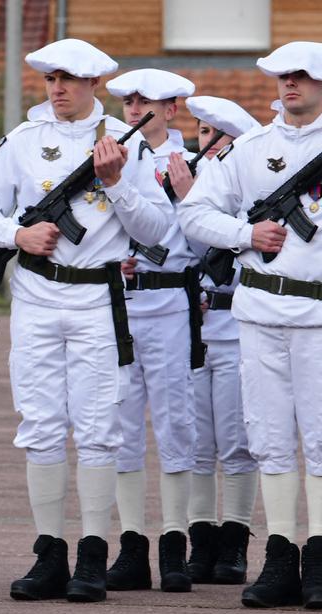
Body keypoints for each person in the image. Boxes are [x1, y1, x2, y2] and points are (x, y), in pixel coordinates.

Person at [0, 38, 173, 603]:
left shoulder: (126, 148)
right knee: (40, 424)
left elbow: (157, 231)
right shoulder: (24, 141)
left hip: (96, 302)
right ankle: (49, 552)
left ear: (94, 85)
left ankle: (92, 556)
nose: (57, 89)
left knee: (100, 428)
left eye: (69, 80)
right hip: (35, 296)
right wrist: (17, 235)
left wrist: (117, 184)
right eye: (51, 79)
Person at [178, 41, 322, 609]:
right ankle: (281, 556)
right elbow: (195, 212)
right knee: (268, 439)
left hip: (319, 315)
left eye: (304, 78)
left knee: (320, 440)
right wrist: (246, 235)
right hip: (259, 311)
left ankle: (318, 559)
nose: (292, 86)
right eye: (285, 77)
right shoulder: (251, 150)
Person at [102, 69, 200, 593]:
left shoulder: (194, 165)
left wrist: (187, 199)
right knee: (120, 426)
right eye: (129, 101)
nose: (135, 109)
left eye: (147, 102)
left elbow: (210, 240)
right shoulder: (107, 158)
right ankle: (132, 545)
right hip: (120, 303)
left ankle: (175, 544)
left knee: (175, 423)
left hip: (169, 301)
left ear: (172, 109)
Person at [166, 96, 260, 586]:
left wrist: (190, 202)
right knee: (197, 441)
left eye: (212, 135)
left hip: (238, 327)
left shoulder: (247, 187)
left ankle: (236, 540)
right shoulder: (189, 187)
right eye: (200, 134)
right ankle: (200, 540)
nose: (204, 144)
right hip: (192, 328)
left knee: (239, 442)